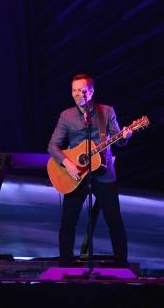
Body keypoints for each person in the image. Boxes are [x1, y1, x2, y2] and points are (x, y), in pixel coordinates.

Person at [48, 74, 132, 266]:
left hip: (103, 173)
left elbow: (119, 142)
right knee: (68, 222)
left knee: (114, 220)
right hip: (75, 174)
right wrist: (67, 164)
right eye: (74, 91)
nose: (78, 95)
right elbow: (52, 146)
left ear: (91, 91)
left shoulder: (106, 112)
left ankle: (122, 265)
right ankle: (65, 265)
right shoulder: (66, 116)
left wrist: (125, 136)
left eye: (82, 91)